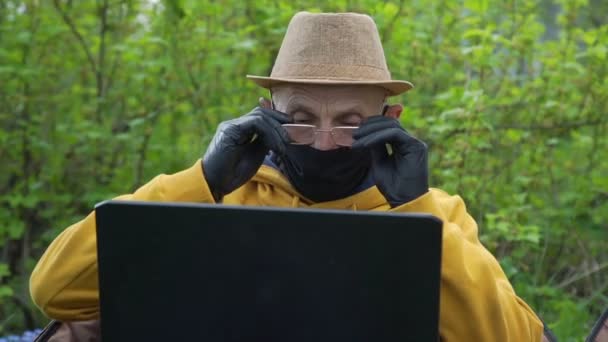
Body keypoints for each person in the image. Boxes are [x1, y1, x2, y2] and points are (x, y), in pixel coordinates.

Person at [30, 11, 547, 341]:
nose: (323, 142)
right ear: (265, 113)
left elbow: (508, 337)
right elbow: (55, 292)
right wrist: (202, 181)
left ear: (389, 124)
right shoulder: (211, 200)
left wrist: (414, 211)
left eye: (349, 123)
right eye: (300, 117)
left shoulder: (435, 214)